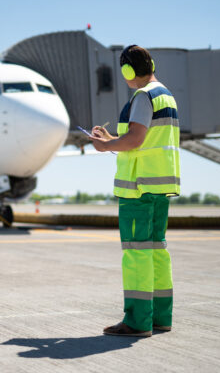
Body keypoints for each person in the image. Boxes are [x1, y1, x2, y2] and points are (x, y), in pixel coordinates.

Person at [90, 45, 180, 337]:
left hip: (138, 190)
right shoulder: (165, 94)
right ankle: (160, 318)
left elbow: (136, 139)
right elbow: (143, 139)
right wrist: (113, 138)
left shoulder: (143, 96)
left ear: (128, 71)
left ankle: (138, 322)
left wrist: (105, 146)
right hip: (158, 186)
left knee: (136, 255)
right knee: (156, 252)